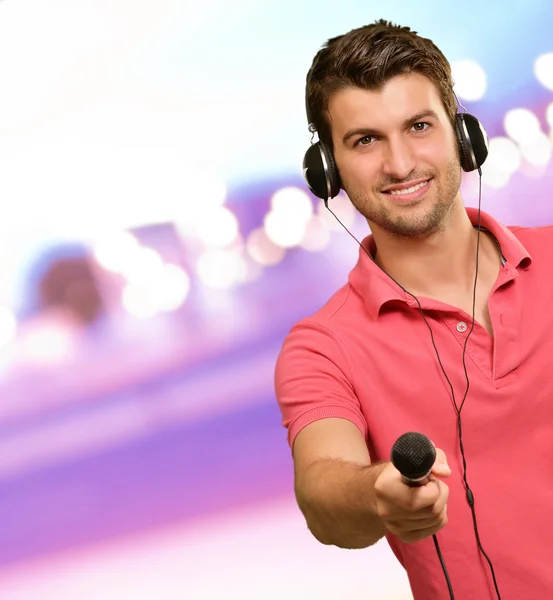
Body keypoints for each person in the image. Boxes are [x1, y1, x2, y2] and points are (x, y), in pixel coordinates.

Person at [274, 19, 553, 600]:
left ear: (462, 136)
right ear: (328, 171)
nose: (400, 164)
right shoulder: (321, 347)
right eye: (366, 140)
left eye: (419, 127)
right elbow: (325, 494)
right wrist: (380, 492)